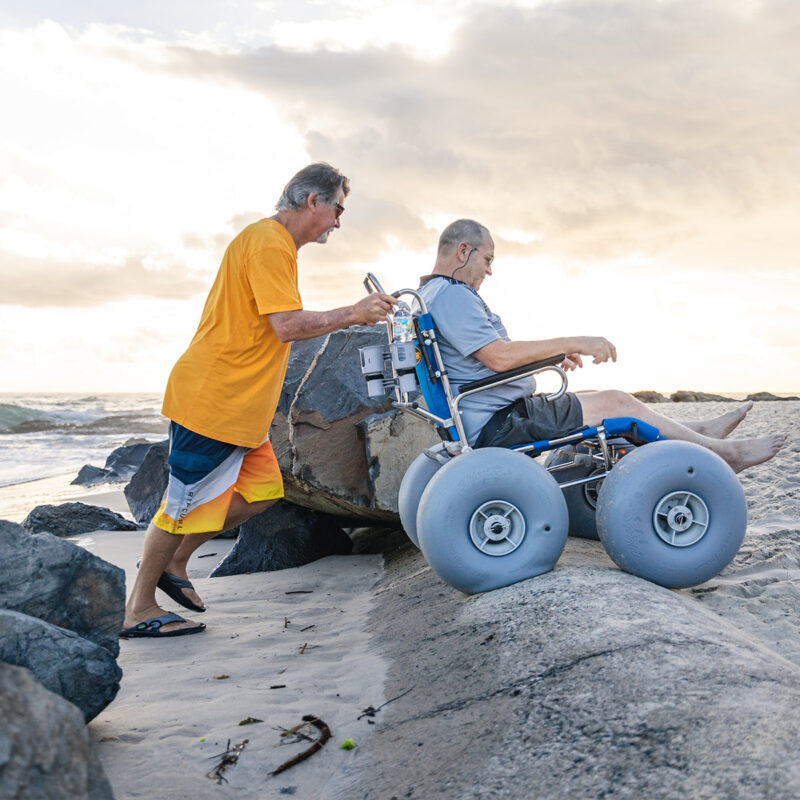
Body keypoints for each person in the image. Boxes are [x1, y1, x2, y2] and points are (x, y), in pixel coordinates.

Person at [121, 163, 396, 638]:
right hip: (214, 401)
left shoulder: (275, 246)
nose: (337, 222)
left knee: (263, 491)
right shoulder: (268, 243)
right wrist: (354, 312)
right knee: (178, 507)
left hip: (241, 411)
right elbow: (286, 325)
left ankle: (177, 563)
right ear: (313, 201)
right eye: (337, 209)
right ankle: (139, 609)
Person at [417, 219, 785, 472]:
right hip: (498, 425)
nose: (490, 271)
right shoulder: (453, 296)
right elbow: (497, 357)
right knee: (616, 402)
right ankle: (726, 455)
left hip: (493, 414)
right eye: (488, 259)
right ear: (463, 251)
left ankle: (696, 433)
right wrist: (578, 339)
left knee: (599, 395)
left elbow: (483, 360)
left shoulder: (434, 293)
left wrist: (551, 357)